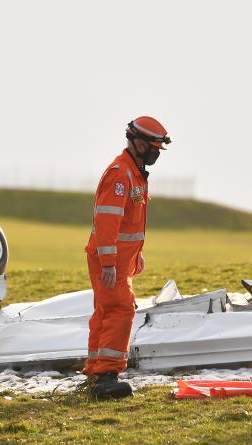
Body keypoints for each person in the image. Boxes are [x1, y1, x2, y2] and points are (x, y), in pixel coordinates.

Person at [84, 116, 171, 400]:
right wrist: (108, 262)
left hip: (120, 261)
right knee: (120, 311)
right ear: (138, 143)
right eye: (153, 147)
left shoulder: (135, 173)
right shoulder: (121, 174)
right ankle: (106, 376)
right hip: (111, 262)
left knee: (105, 313)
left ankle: (96, 372)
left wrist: (136, 255)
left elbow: (129, 224)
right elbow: (107, 220)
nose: (156, 153)